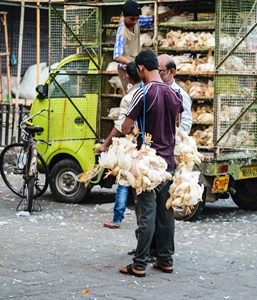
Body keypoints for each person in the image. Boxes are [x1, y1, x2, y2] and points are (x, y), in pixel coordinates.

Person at [117, 50, 183, 277]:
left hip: (147, 164)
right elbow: (177, 123)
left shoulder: (143, 92)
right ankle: (165, 260)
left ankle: (139, 264)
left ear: (142, 68)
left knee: (145, 214)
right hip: (169, 163)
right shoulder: (175, 93)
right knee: (166, 214)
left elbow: (126, 128)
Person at [100, 61, 142, 229]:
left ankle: (117, 219)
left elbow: (121, 126)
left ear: (129, 77)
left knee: (124, 181)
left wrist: (105, 144)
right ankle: (144, 220)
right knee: (143, 184)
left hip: (131, 145)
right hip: (148, 144)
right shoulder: (152, 91)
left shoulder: (129, 98)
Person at [114, 0, 176, 93]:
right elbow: (117, 56)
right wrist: (133, 64)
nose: (134, 21)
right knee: (132, 93)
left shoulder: (137, 21)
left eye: (136, 18)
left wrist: (170, 13)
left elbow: (152, 19)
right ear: (124, 16)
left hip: (138, 67)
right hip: (127, 69)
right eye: (132, 19)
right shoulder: (121, 33)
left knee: (143, 92)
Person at [157, 54, 193, 133]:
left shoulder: (181, 95)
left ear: (171, 72)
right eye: (154, 71)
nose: (155, 75)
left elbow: (185, 126)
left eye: (159, 71)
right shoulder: (153, 91)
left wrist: (166, 135)